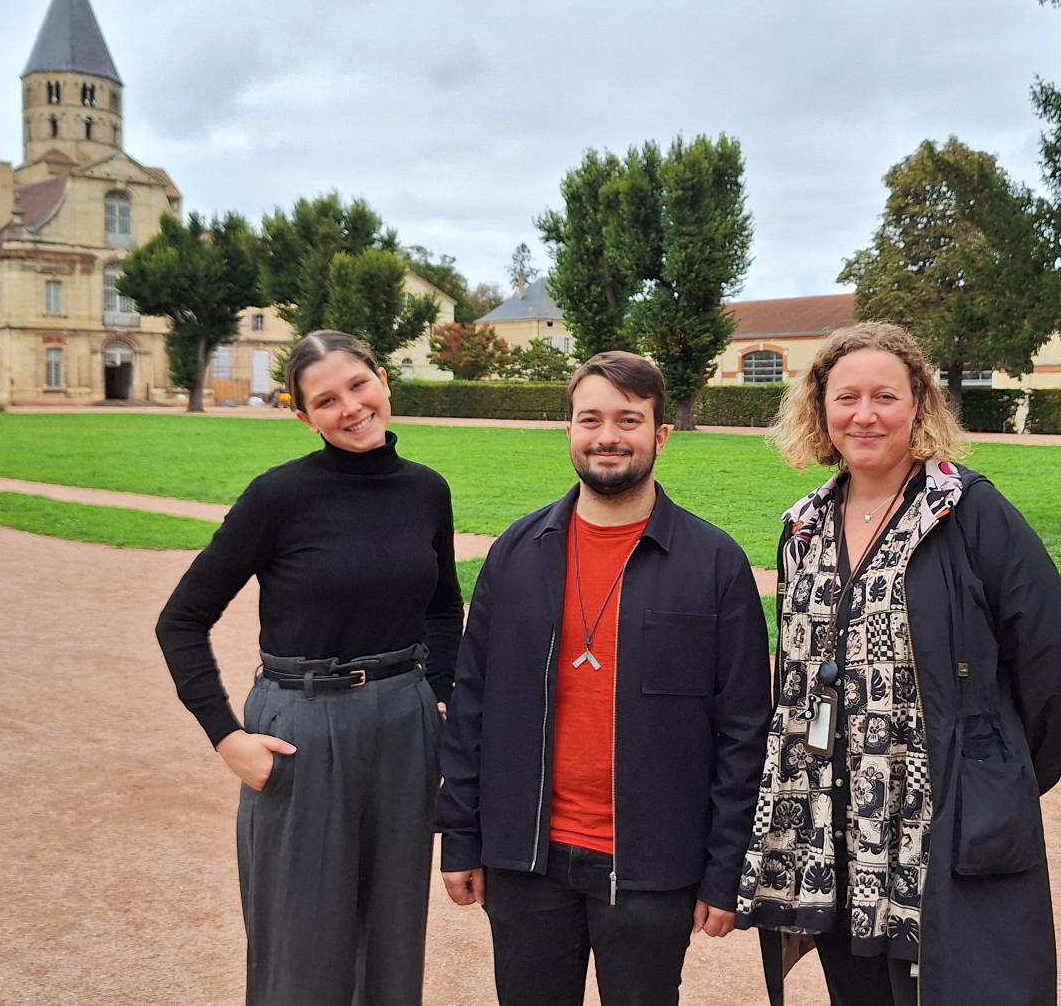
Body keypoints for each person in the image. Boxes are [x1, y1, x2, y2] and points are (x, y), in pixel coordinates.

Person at [736, 322, 1061, 1006]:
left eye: (884, 397)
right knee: (858, 987)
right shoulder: (803, 526)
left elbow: (1054, 652)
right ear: (820, 409)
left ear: (919, 406)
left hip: (933, 810)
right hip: (831, 815)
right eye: (846, 398)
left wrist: (1002, 767)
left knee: (951, 985)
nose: (864, 415)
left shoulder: (967, 511)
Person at [436, 351, 771, 1006]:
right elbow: (471, 703)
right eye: (590, 418)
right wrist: (460, 835)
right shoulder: (515, 553)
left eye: (629, 418)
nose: (608, 435)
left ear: (660, 435)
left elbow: (743, 732)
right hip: (524, 858)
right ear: (569, 430)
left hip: (654, 867)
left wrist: (724, 869)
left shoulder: (715, 564)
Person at [154, 330, 461, 1006]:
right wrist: (225, 736)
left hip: (404, 724)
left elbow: (442, 608)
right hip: (302, 724)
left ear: (383, 379)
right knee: (301, 940)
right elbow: (180, 620)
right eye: (326, 400)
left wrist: (439, 695)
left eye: (358, 385)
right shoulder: (279, 497)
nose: (350, 408)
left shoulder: (425, 491)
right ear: (303, 415)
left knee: (393, 934)